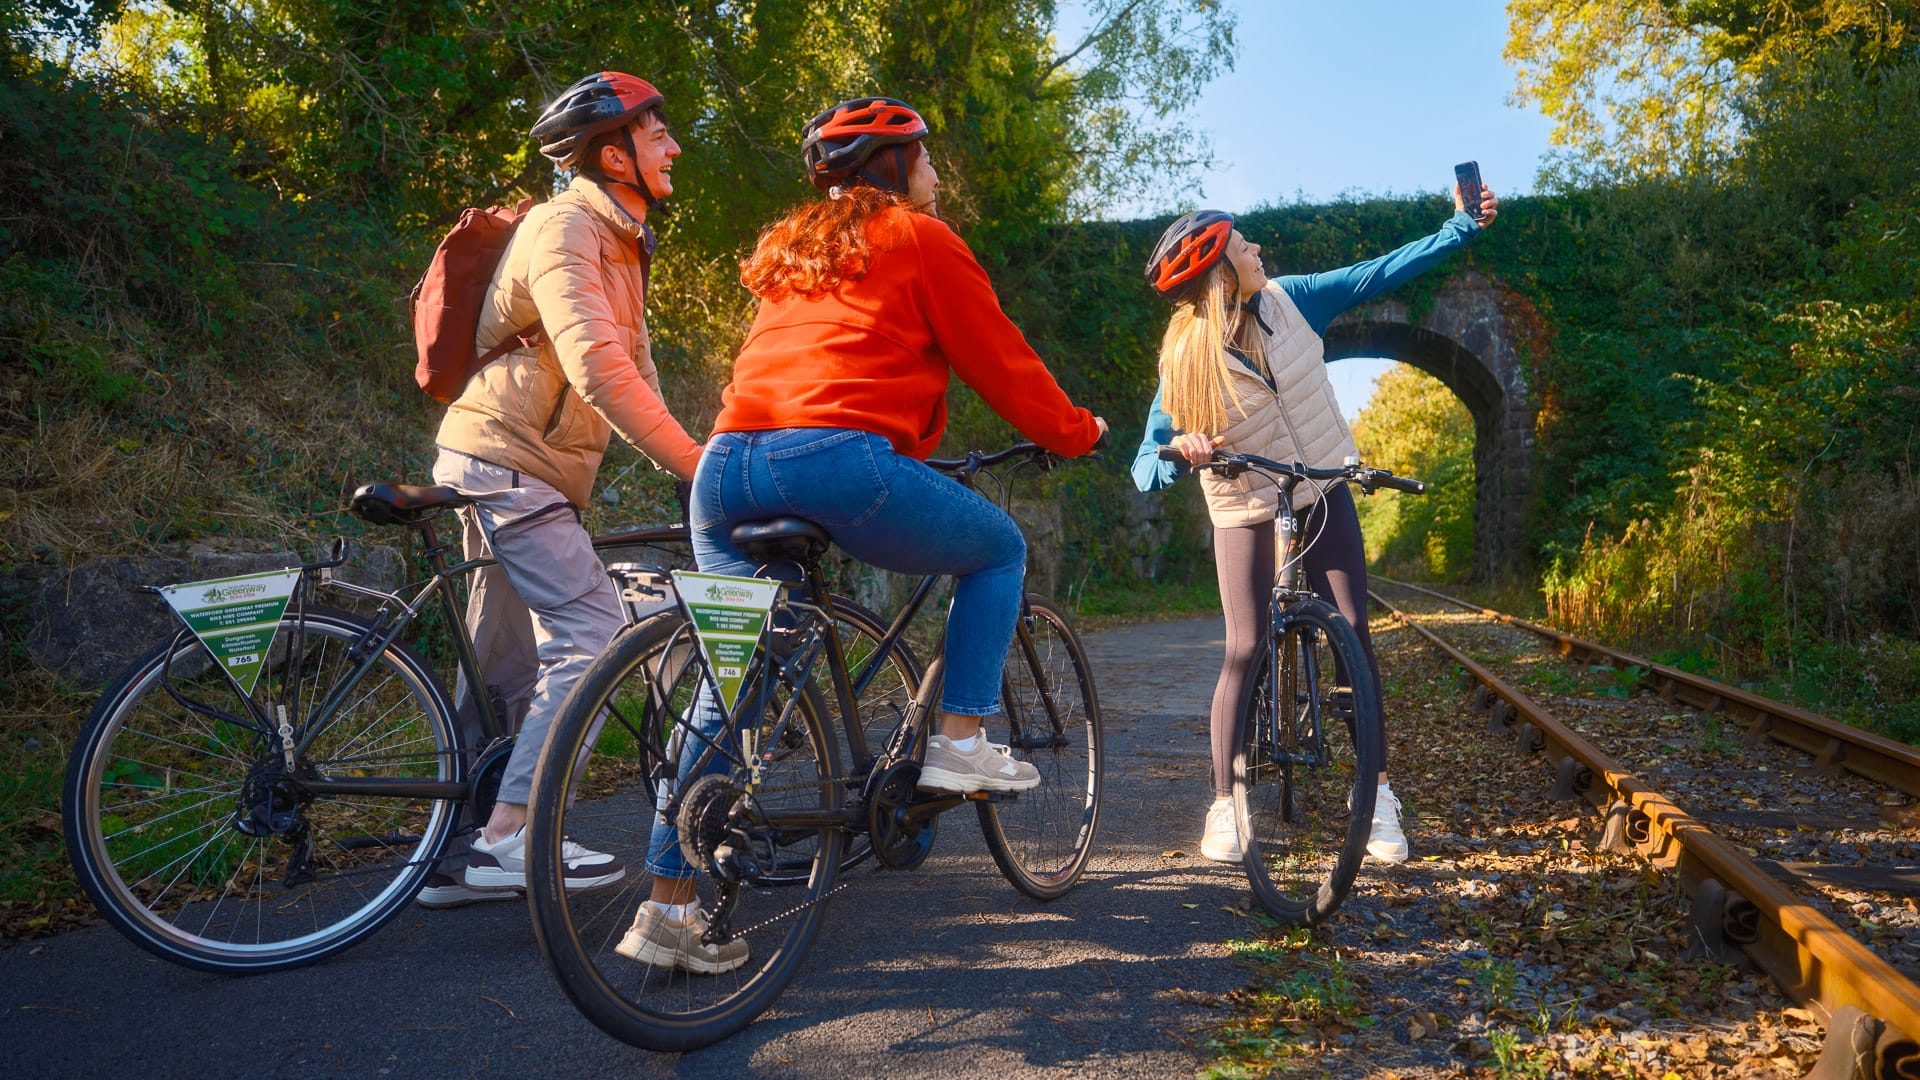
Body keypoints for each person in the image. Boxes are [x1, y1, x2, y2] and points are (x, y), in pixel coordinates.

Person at [616, 96, 1107, 972]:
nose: (935, 173)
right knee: (999, 549)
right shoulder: (920, 239)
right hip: (834, 462)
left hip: (724, 469)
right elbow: (1003, 360)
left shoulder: (795, 254)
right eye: (925, 158)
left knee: (736, 687)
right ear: (895, 167)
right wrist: (1077, 431)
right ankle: (960, 740)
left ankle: (666, 913)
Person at [1131, 181, 1499, 867]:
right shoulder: (1182, 359)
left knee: (1353, 634)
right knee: (1245, 648)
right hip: (1244, 506)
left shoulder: (1289, 300)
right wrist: (1179, 451)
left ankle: (1378, 800)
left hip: (1323, 489)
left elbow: (1378, 272)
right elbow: (1144, 464)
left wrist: (1460, 230)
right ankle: (1226, 805)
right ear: (1219, 269)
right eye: (1244, 244)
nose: (1257, 247)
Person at [415, 71, 705, 907]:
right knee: (591, 632)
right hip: (513, 464)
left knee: (504, 660)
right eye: (658, 137)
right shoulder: (566, 225)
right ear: (614, 155)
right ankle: (510, 836)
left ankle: (461, 852)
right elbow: (596, 366)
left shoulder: (617, 242)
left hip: (501, 459)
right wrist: (693, 465)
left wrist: (700, 460)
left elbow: (637, 368)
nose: (674, 147)